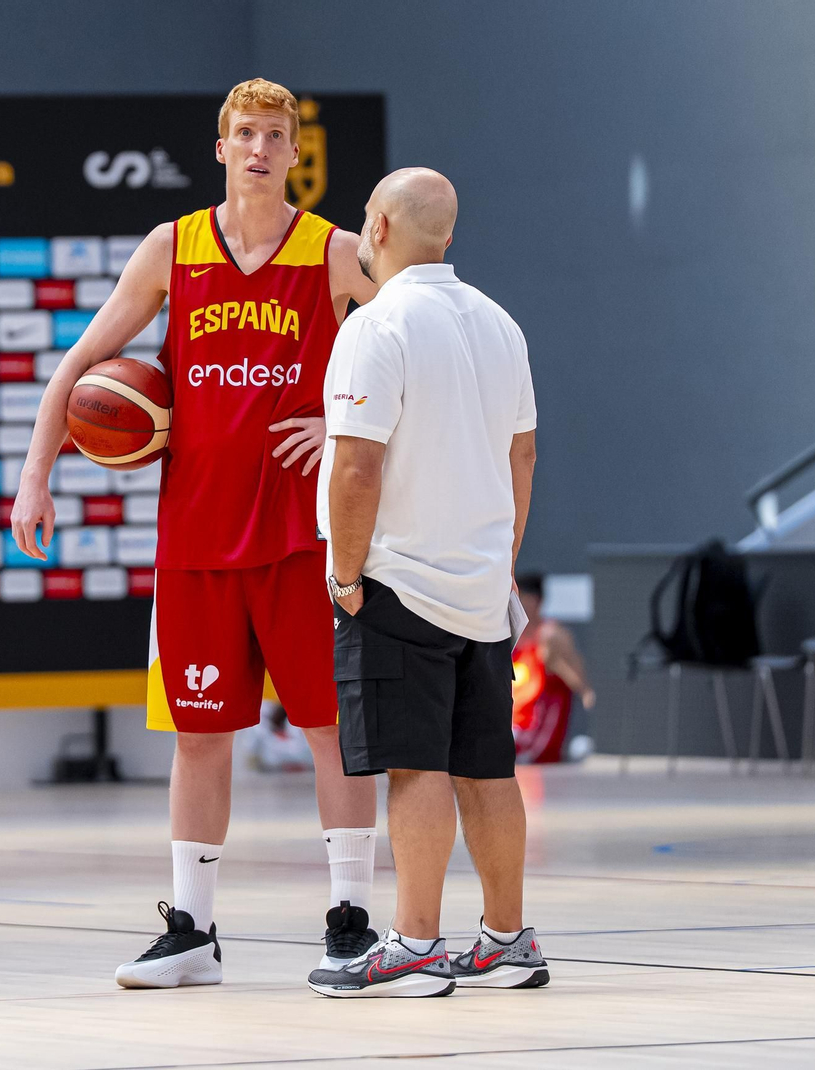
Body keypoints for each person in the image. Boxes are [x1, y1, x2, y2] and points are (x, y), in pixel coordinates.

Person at [9, 78, 382, 989]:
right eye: (244, 133)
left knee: (330, 730)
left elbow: (414, 355)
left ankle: (352, 918)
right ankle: (193, 932)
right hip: (197, 540)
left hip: (305, 537)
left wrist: (341, 426)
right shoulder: (171, 248)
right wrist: (36, 473)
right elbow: (80, 362)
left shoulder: (333, 252)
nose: (259, 147)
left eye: (275, 134)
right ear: (220, 149)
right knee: (200, 736)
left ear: (297, 152)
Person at [309, 168, 549, 997]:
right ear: (447, 234)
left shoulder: (376, 327)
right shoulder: (500, 325)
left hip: (397, 581)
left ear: (377, 228)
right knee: (486, 768)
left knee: (414, 767)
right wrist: (503, 557)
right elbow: (523, 455)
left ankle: (413, 947)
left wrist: (344, 575)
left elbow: (356, 468)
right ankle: (507, 941)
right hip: (482, 588)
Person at [512, 573, 595, 764]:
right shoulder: (513, 636)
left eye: (520, 597)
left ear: (534, 600)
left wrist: (556, 664)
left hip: (538, 734)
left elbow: (581, 684)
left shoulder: (552, 636)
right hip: (515, 727)